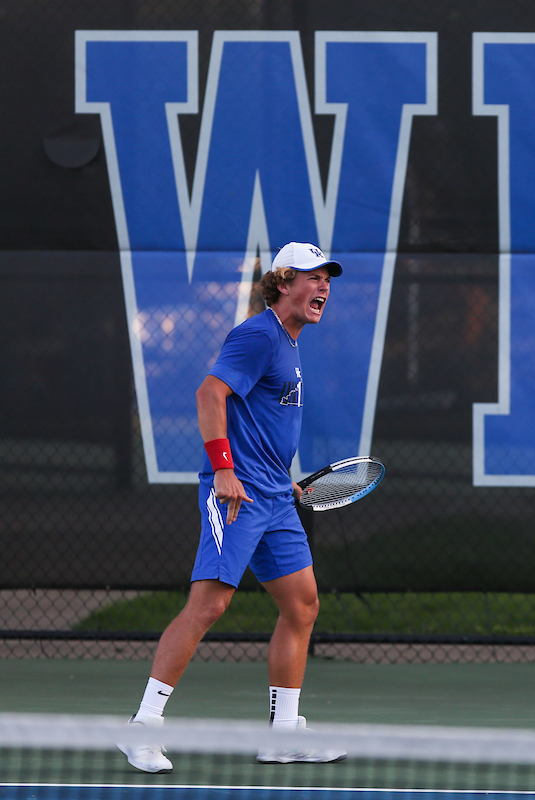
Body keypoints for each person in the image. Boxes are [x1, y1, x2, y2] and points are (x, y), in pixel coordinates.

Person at [119, 243, 346, 773]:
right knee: (209, 606)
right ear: (284, 281)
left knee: (303, 605)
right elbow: (208, 394)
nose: (324, 288)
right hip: (236, 494)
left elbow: (260, 424)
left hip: (274, 496)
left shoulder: (288, 343)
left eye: (327, 280)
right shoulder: (258, 335)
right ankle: (141, 728)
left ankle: (283, 735)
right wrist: (224, 469)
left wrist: (280, 479)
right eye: (314, 278)